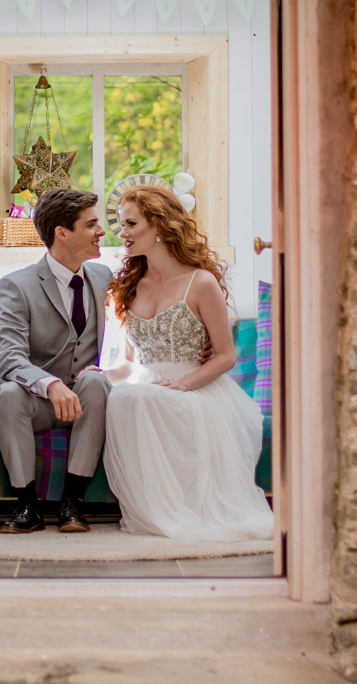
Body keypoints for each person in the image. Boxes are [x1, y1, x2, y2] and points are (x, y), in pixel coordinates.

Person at [102, 186, 274, 542]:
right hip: (147, 389)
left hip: (195, 390)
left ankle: (186, 511)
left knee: (138, 397)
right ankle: (156, 508)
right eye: (122, 224)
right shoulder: (128, 287)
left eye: (131, 224)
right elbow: (129, 364)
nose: (123, 233)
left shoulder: (201, 283)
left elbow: (225, 356)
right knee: (122, 396)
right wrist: (100, 375)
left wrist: (181, 384)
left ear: (159, 225)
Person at [0, 188, 111, 534]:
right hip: (33, 403)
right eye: (91, 225)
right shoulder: (17, 285)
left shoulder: (105, 278)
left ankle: (73, 502)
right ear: (62, 233)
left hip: (85, 400)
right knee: (8, 392)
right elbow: (9, 358)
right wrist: (50, 384)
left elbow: (141, 324)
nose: (101, 231)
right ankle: (27, 505)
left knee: (96, 382)